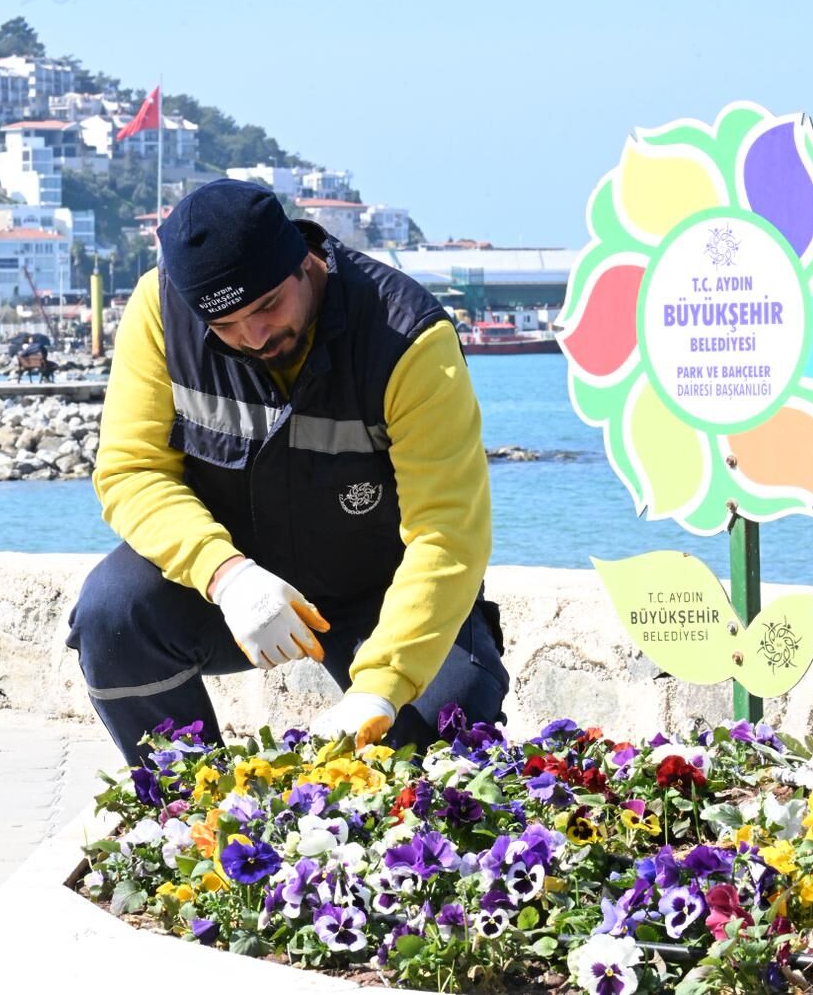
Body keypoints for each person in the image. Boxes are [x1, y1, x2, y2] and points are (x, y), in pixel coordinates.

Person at [67, 179, 507, 763]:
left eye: (268, 305)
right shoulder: (159, 309)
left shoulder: (409, 339)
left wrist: (382, 685)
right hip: (242, 585)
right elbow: (131, 470)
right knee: (112, 616)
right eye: (224, 326)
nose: (254, 336)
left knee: (446, 724)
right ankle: (185, 812)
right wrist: (226, 575)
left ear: (304, 260)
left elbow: (447, 533)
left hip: (378, 589)